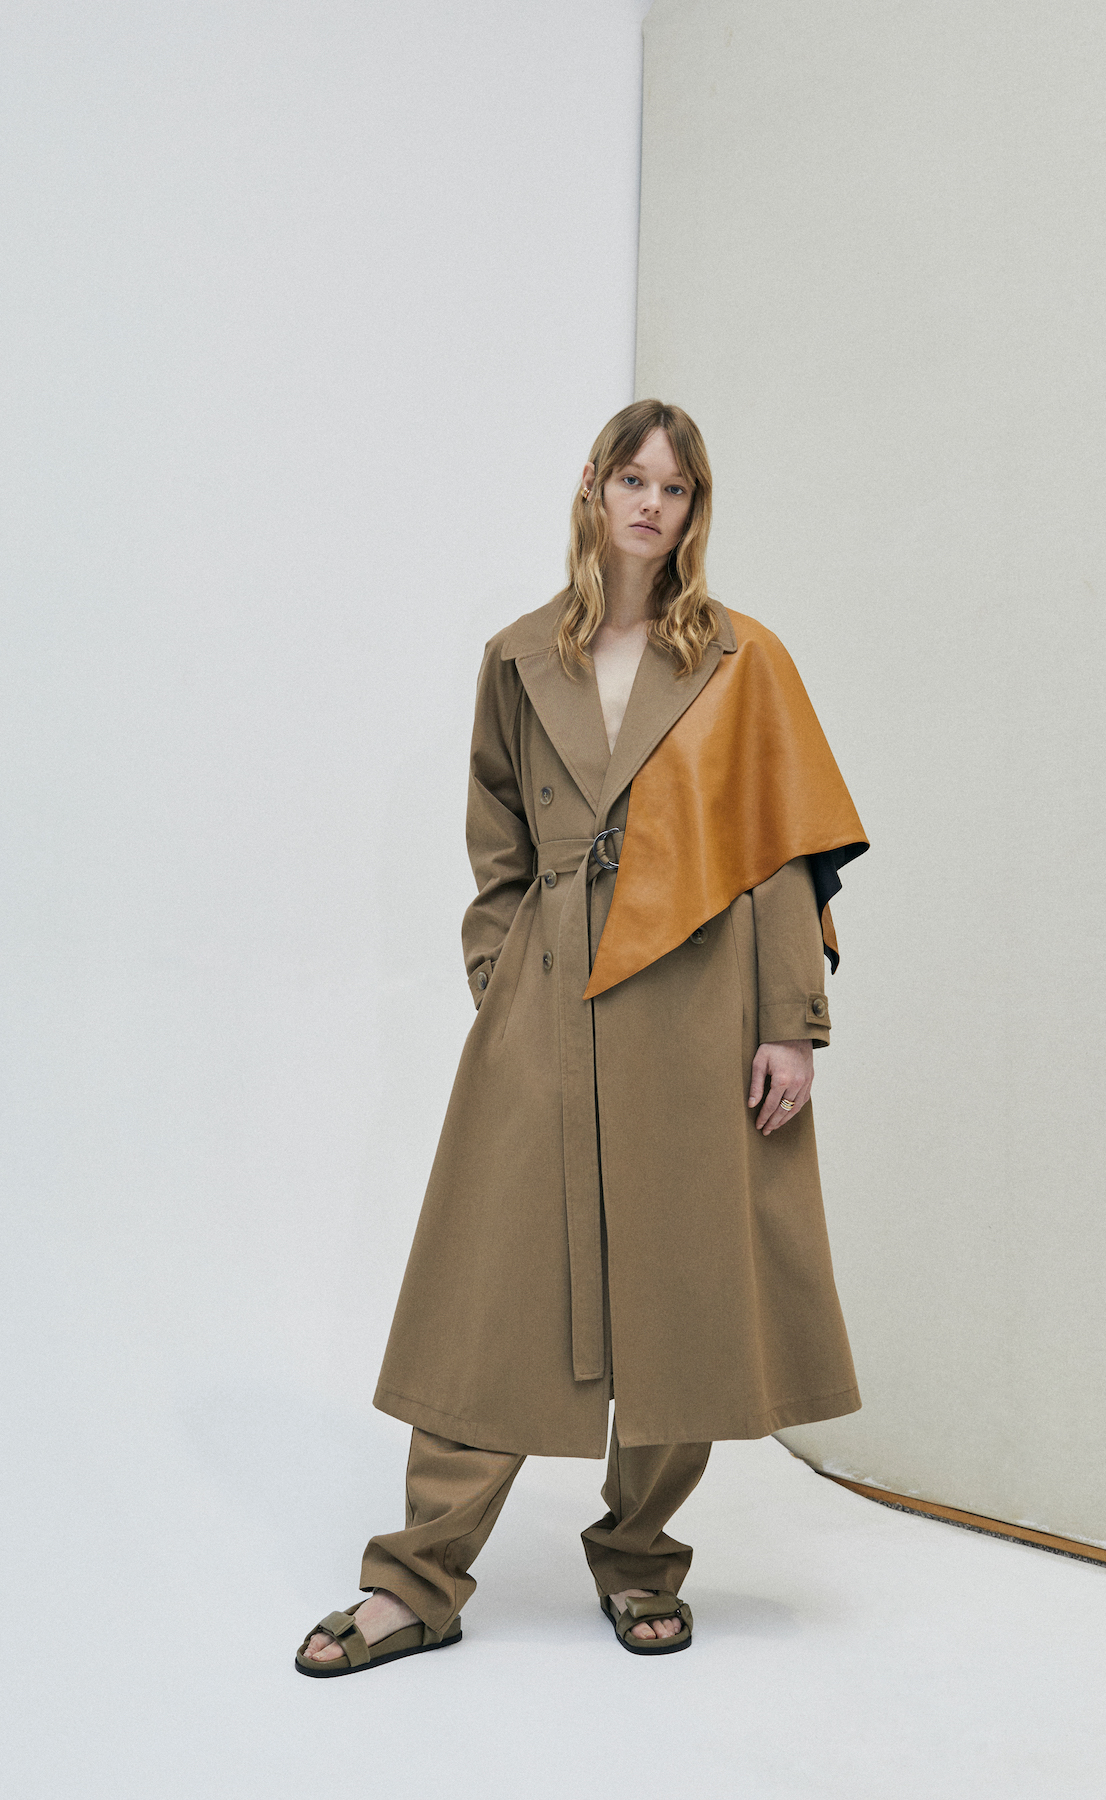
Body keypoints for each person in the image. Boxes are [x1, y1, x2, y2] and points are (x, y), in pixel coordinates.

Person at [295, 399, 868, 1673]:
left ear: (695, 508)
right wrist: (504, 977)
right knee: (489, 1292)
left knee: (684, 1288)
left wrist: (790, 1026)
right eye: (632, 479)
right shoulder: (517, 658)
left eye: (676, 486)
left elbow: (780, 858)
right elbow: (497, 846)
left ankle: (641, 1557)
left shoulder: (742, 660)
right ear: (596, 490)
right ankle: (416, 1579)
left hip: (700, 1005)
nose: (651, 505)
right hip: (547, 1007)